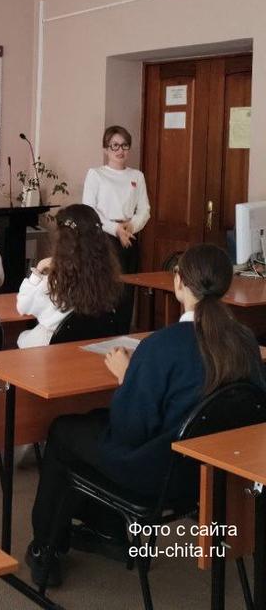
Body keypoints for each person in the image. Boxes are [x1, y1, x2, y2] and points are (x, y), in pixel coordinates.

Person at [24, 244, 265, 587]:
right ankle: (106, 528)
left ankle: (46, 548)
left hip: (160, 475)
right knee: (93, 419)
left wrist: (127, 377)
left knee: (64, 431)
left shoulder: (162, 346)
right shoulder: (245, 341)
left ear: (178, 282)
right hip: (215, 474)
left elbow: (129, 430)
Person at [16, 204, 121, 348]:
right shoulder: (108, 279)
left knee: (21, 338)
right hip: (91, 348)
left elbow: (22, 307)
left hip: (51, 349)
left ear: (63, 240)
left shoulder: (53, 281)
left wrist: (38, 269)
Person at [82, 126, 150, 332]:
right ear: (106, 149)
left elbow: (145, 210)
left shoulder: (137, 176)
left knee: (126, 292)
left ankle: (122, 334)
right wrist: (115, 229)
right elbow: (89, 210)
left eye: (125, 146)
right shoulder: (96, 174)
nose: (120, 150)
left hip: (129, 236)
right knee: (104, 289)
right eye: (115, 146)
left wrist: (131, 226)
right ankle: (101, 336)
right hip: (104, 238)